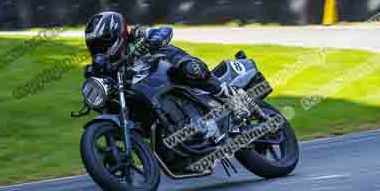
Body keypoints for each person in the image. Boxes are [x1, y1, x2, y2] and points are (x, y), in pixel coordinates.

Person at [84, 11, 255, 120]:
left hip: (169, 65)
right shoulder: (103, 66)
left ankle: (231, 97)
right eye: (95, 46)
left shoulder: (136, 34)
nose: (100, 50)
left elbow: (165, 30)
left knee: (189, 69)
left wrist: (155, 40)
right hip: (150, 92)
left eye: (102, 43)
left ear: (117, 33)